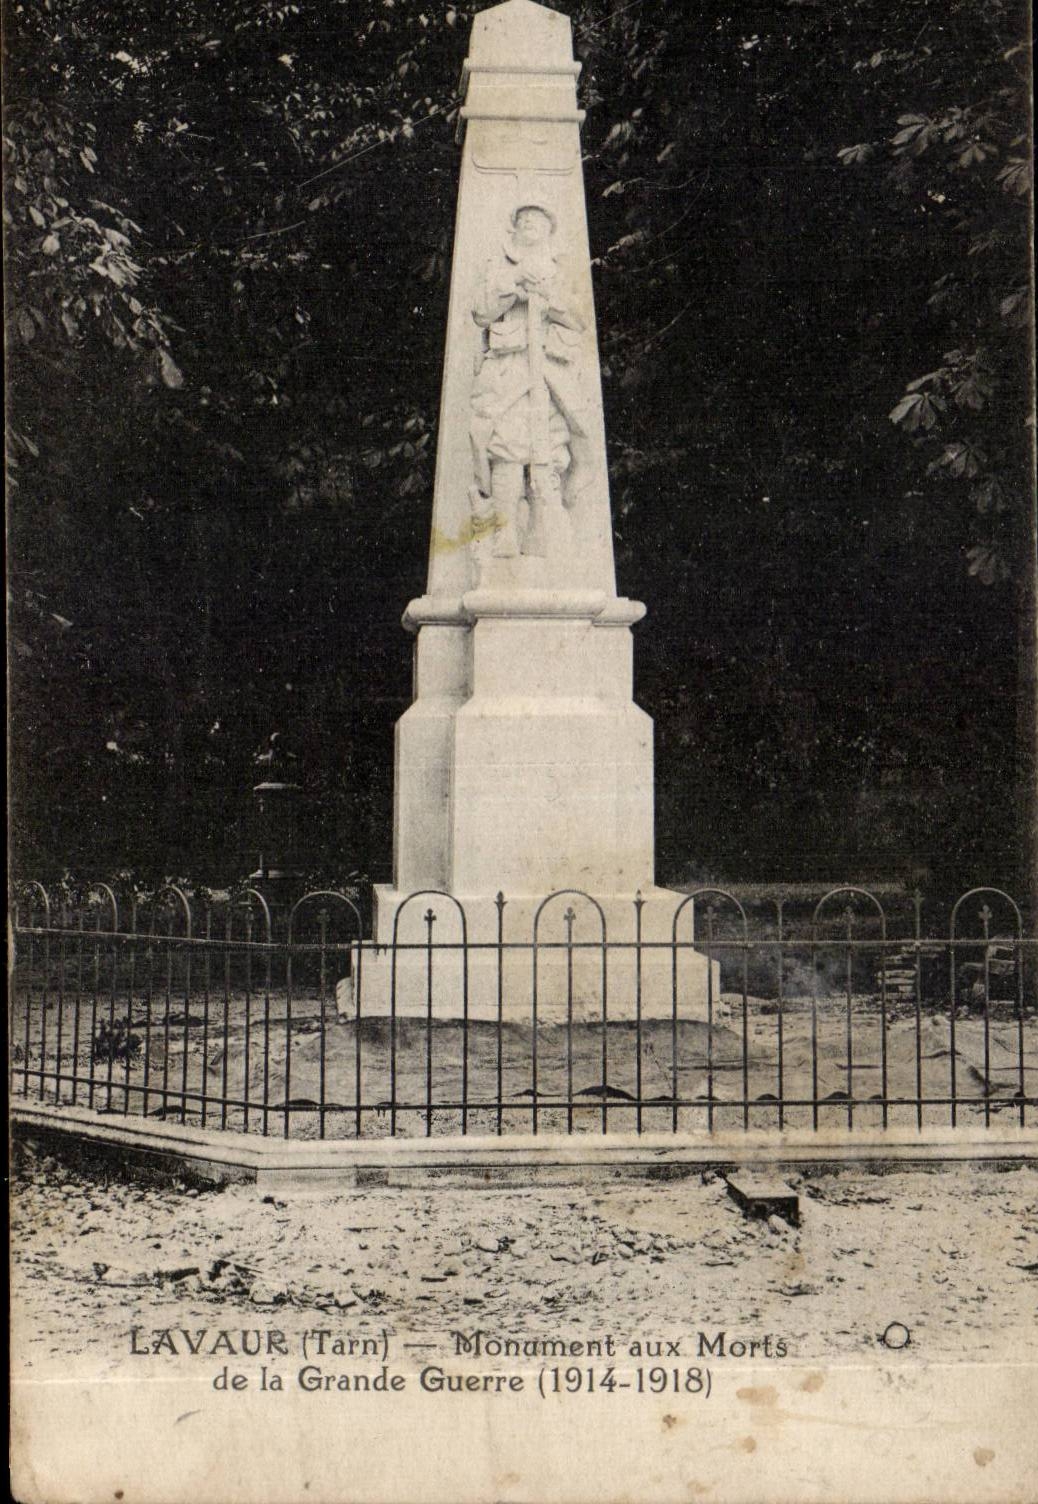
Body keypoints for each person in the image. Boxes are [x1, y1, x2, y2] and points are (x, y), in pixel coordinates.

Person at [469, 203, 589, 557]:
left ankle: (549, 540)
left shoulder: (562, 270)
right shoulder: (498, 268)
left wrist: (547, 296)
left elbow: (579, 316)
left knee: (551, 452)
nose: (529, 226)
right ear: (514, 230)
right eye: (523, 221)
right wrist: (515, 287)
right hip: (507, 376)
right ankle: (504, 533)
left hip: (552, 378)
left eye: (537, 222)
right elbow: (480, 311)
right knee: (505, 448)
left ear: (549, 230)